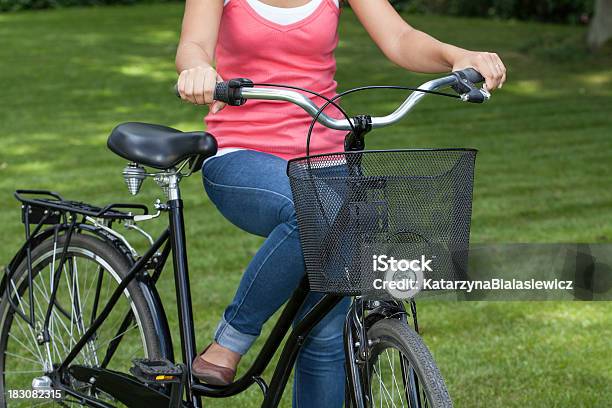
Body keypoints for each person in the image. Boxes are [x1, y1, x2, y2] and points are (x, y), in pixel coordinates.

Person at [175, 0, 506, 406]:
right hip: (241, 153)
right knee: (311, 210)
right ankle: (231, 339)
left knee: (325, 332)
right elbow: (193, 44)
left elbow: (400, 39)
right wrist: (199, 69)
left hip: (329, 157)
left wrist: (457, 55)